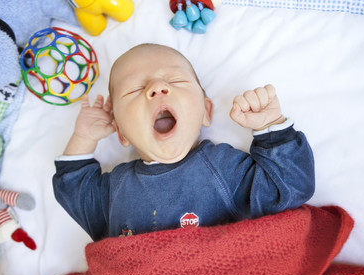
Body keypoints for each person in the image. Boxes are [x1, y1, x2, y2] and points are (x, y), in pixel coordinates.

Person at [53, 43, 315, 241]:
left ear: (205, 111)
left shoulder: (222, 167)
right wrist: (83, 138)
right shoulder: (115, 188)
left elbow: (289, 189)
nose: (156, 87)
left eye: (176, 80)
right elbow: (74, 190)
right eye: (134, 89)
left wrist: (271, 127)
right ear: (120, 132)